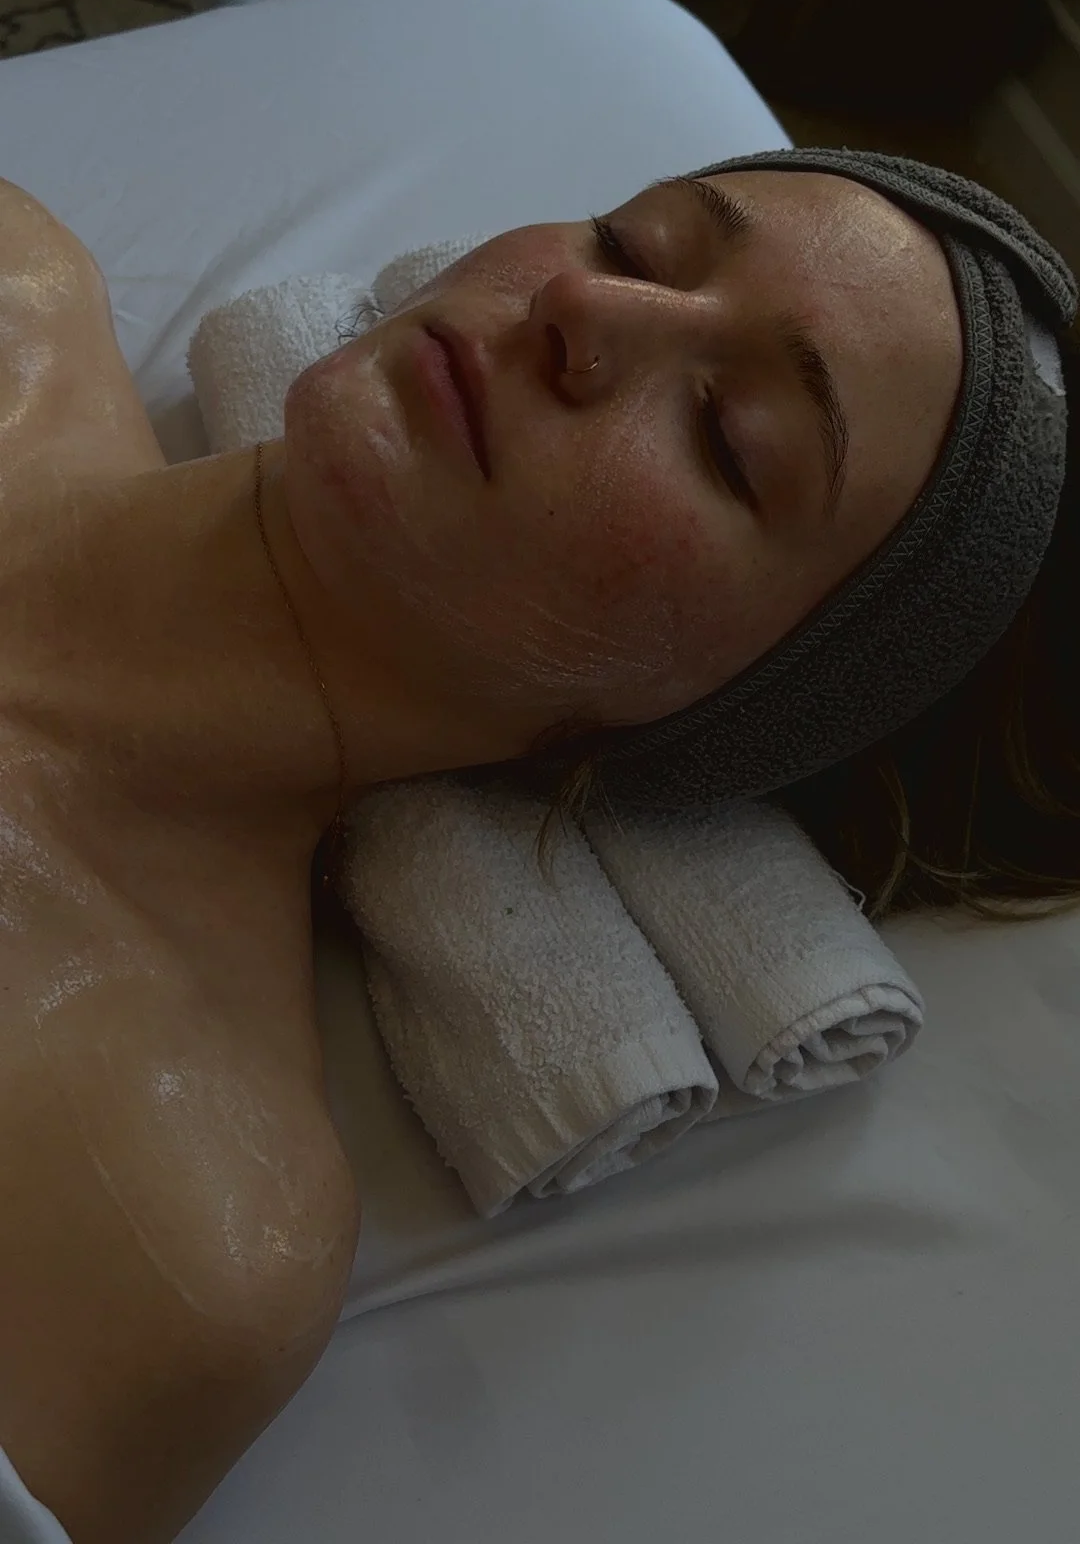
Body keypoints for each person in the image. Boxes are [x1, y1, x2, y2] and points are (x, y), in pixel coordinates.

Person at [0, 148, 1075, 1544]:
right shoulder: (13, 278)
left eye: (732, 440)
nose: (584, 308)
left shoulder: (172, 1219)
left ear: (710, 720)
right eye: (636, 243)